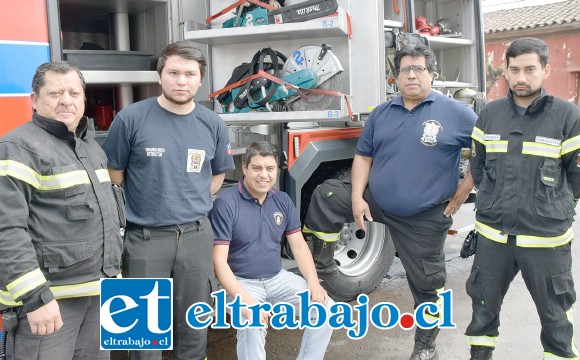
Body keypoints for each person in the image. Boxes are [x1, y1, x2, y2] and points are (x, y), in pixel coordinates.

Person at [302, 44, 477, 360]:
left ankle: (425, 345)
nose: (411, 74)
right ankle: (322, 266)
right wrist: (356, 197)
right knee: (327, 194)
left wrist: (464, 189)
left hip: (423, 215)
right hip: (378, 202)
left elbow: (489, 149)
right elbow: (363, 157)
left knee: (427, 284)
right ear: (396, 76)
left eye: (419, 68)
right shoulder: (382, 113)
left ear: (432, 74)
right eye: (405, 69)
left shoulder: (457, 113)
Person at [102, 41, 235, 360]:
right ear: (160, 76)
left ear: (200, 79)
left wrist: (187, 200)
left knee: (193, 327)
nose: (181, 80)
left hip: (196, 237)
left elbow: (217, 176)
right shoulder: (130, 118)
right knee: (140, 336)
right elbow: (114, 175)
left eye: (190, 73)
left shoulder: (212, 123)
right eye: (173, 72)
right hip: (144, 240)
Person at [465, 37, 580, 360]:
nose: (521, 77)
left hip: (545, 240)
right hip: (493, 236)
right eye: (514, 69)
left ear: (545, 69)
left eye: (530, 69)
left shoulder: (567, 116)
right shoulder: (490, 115)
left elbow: (576, 176)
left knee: (556, 317)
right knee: (482, 309)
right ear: (506, 70)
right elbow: (479, 164)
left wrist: (553, 208)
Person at [0, 61, 123, 359]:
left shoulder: (90, 148)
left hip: (98, 295)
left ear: (83, 99)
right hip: (50, 303)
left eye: (74, 93)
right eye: (55, 93)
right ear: (34, 100)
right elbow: (6, 230)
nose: (66, 100)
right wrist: (35, 298)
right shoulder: (18, 148)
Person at [209, 141, 334, 360]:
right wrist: (245, 301)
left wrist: (313, 283)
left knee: (326, 310)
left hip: (277, 278)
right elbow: (219, 262)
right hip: (240, 282)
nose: (263, 175)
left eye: (270, 169)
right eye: (257, 168)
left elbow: (299, 246)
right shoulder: (225, 204)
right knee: (251, 321)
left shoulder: (282, 200)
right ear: (245, 167)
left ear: (277, 170)